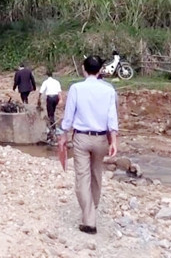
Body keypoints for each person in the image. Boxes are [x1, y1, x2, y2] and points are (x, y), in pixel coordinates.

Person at [58, 55, 119, 235]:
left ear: (84, 69)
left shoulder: (76, 88)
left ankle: (89, 219)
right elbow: (112, 117)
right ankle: (92, 208)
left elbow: (69, 116)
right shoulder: (109, 90)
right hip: (101, 139)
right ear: (101, 70)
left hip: (82, 138)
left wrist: (63, 136)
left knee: (82, 177)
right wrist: (113, 140)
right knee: (96, 174)